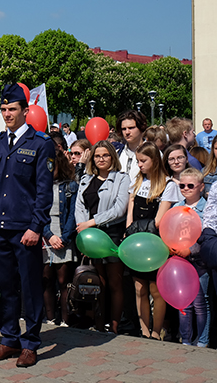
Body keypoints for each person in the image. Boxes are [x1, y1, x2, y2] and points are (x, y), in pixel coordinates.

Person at [0, 84, 54, 368]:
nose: (7, 114)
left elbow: (44, 191)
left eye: (12, 109)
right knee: (5, 286)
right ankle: (9, 339)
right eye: (3, 110)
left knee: (30, 287)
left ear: (25, 111)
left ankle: (31, 344)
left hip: (25, 229)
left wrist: (37, 227)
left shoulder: (40, 143)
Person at [75, 141, 130, 333]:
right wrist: (83, 227)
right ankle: (99, 325)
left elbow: (119, 209)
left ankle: (114, 325)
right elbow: (80, 206)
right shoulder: (86, 179)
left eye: (105, 155)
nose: (101, 159)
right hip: (91, 236)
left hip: (112, 233)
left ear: (112, 157)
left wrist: (92, 222)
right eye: (97, 156)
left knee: (115, 282)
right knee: (99, 282)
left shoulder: (122, 179)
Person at [127, 142, 181, 340]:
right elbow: (130, 212)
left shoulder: (168, 185)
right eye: (138, 161)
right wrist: (129, 233)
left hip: (156, 242)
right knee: (139, 287)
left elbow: (159, 220)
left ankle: (156, 332)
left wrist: (135, 229)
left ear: (154, 161)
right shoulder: (137, 183)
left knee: (156, 289)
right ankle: (143, 330)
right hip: (136, 241)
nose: (139, 165)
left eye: (143, 161)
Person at [170, 168, 210, 347]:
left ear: (201, 187)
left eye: (190, 185)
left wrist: (191, 249)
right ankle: (185, 340)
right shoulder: (175, 207)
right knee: (184, 302)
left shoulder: (208, 209)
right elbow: (169, 230)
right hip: (180, 261)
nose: (185, 188)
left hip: (200, 261)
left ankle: (202, 341)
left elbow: (207, 236)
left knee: (202, 303)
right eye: (182, 185)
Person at [42, 149, 78, 327]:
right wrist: (49, 236)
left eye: (51, 165)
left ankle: (66, 320)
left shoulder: (70, 186)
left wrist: (63, 238)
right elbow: (37, 213)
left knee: (64, 281)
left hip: (64, 234)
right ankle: (50, 318)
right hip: (45, 235)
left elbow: (73, 214)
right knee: (46, 279)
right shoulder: (39, 186)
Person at [116, 110, 148, 185]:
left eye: (131, 128)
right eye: (124, 129)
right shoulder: (117, 154)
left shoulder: (154, 153)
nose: (127, 132)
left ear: (141, 127)